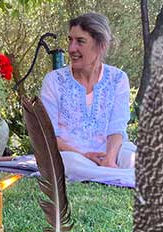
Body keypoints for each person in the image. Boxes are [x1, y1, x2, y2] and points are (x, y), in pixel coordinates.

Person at [40, 12, 136, 182]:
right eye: (70, 40)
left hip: (110, 154)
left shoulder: (118, 79)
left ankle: (108, 174)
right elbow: (50, 136)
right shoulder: (54, 81)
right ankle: (129, 178)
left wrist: (109, 159)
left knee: (131, 154)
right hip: (72, 156)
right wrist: (84, 155)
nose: (71, 49)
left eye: (80, 41)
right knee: (66, 162)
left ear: (100, 45)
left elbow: (117, 128)